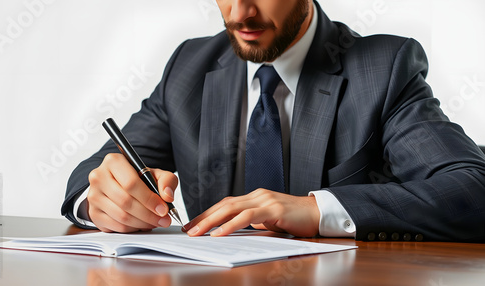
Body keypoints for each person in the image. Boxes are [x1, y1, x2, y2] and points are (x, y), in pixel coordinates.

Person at [62, 0, 485, 242]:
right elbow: (99, 169)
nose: (241, 12)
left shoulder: (382, 68)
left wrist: (316, 209)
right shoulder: (190, 66)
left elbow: (472, 188)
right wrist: (100, 199)